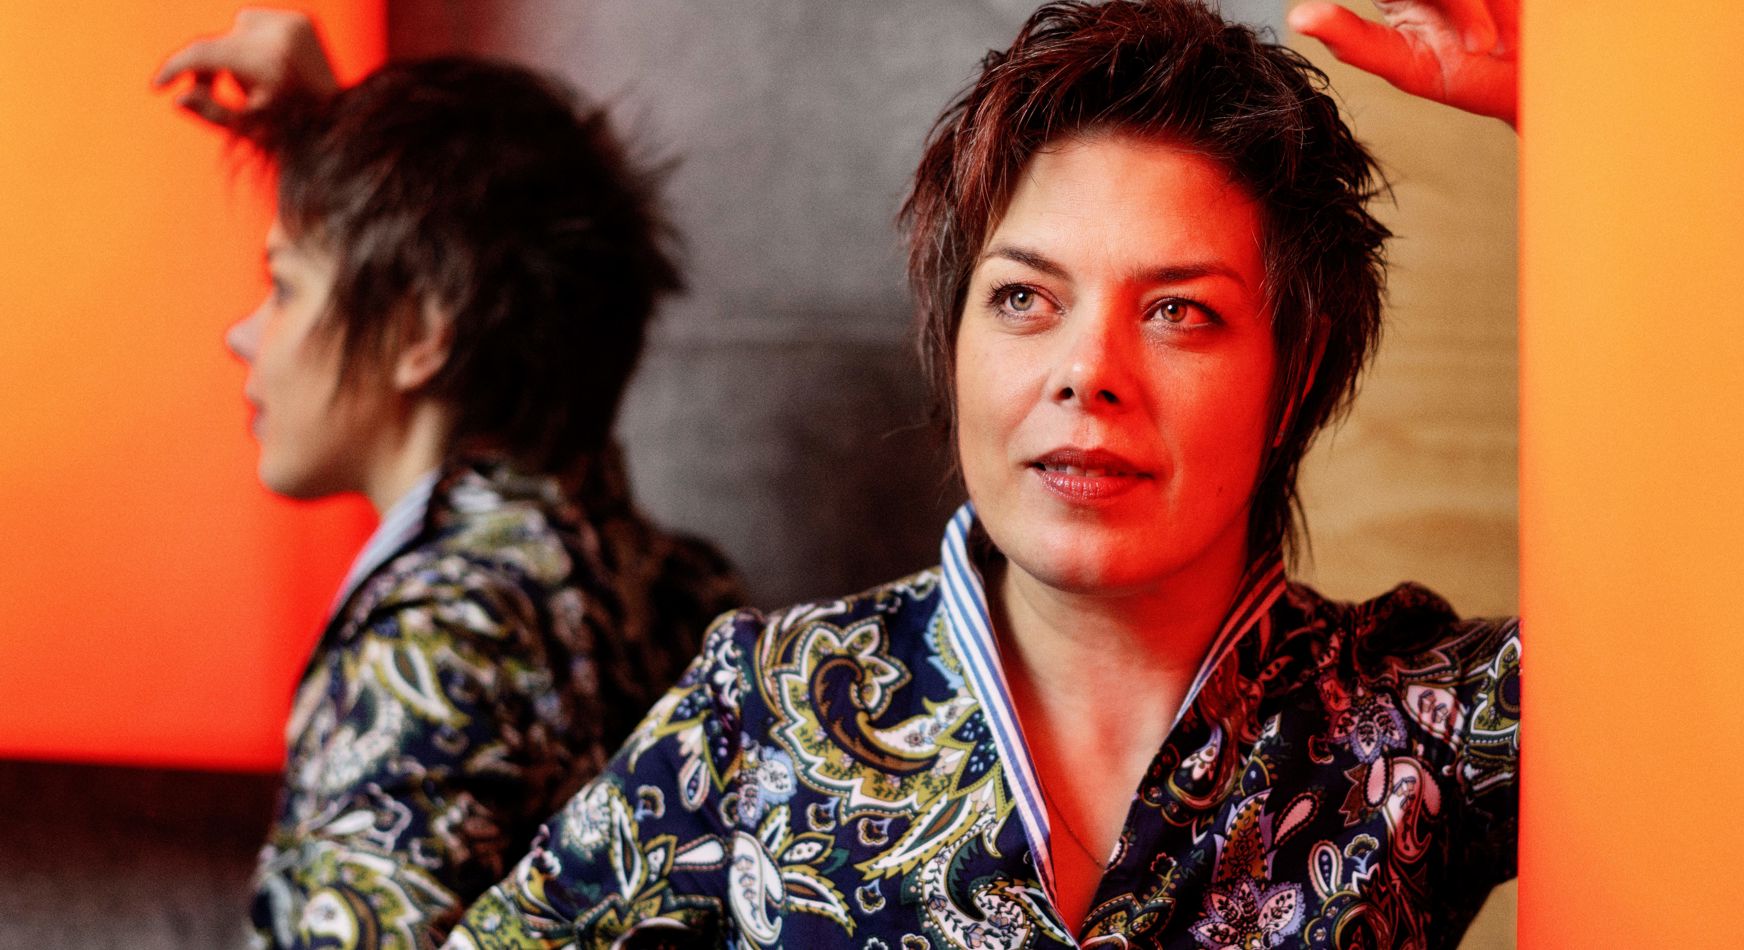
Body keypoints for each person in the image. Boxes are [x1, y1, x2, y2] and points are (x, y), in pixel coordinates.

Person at [436, 1, 1520, 947]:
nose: (1087, 372)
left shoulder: (1414, 720)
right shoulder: (762, 709)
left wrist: (1565, 117)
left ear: (1298, 374)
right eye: (1023, 298)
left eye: (1178, 311)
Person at [153, 42, 745, 950]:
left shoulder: (435, 638)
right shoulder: (686, 594)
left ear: (421, 332)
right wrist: (353, 136)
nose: (243, 333)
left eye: (284, 286)